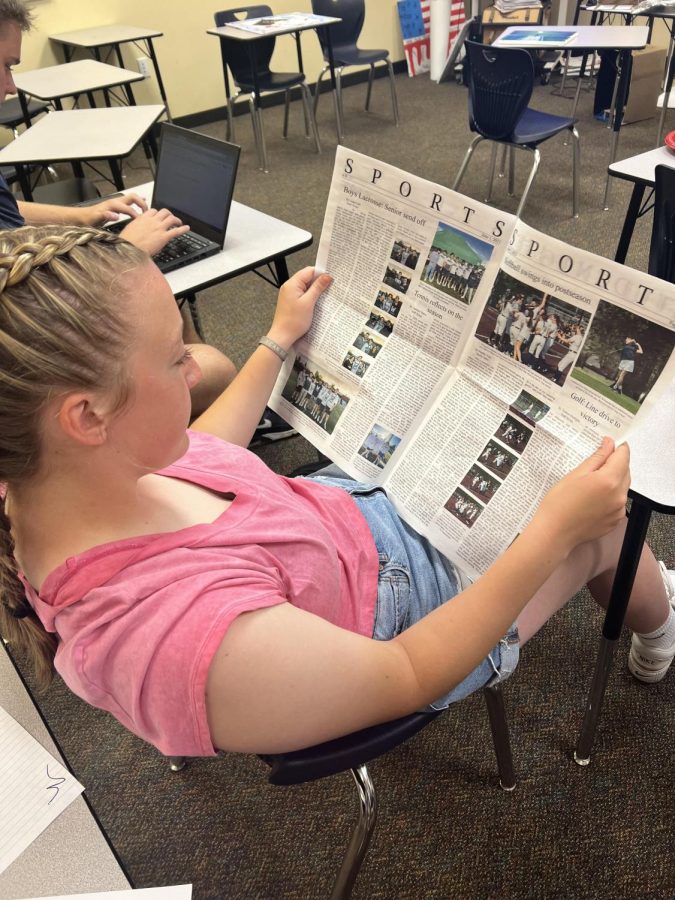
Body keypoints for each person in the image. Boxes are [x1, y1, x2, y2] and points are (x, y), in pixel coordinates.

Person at [0, 225, 673, 760]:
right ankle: (661, 632)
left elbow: (205, 453)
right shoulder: (174, 637)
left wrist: (276, 340)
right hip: (402, 624)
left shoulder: (66, 481)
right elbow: (409, 671)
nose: (197, 365)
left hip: (347, 529)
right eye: (177, 356)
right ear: (87, 417)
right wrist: (554, 531)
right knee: (606, 523)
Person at [0, 0, 297, 434]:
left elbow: (8, 213)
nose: (10, 87)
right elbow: (21, 310)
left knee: (163, 288)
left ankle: (189, 408)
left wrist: (82, 219)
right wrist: (123, 251)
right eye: (5, 66)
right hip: (31, 369)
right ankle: (198, 423)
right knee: (213, 368)